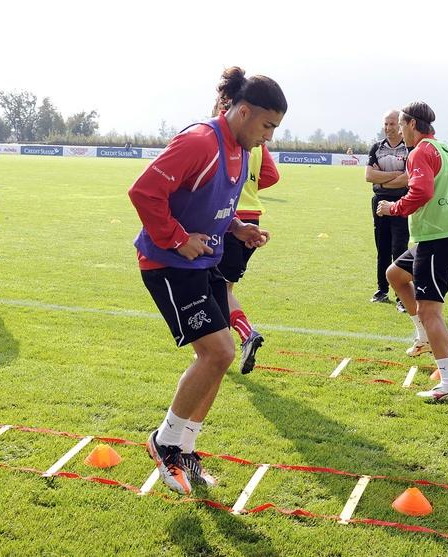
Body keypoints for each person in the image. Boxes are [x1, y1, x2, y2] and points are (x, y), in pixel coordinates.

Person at [129, 68, 286, 494]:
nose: (269, 136)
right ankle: (164, 442)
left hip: (204, 263)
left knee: (223, 355)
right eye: (267, 126)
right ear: (244, 111)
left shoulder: (240, 148)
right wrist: (178, 239)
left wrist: (237, 228)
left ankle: (186, 450)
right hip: (167, 263)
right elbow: (144, 192)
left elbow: (210, 201)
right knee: (216, 352)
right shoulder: (200, 140)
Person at [376, 101, 448, 402]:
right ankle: (422, 336)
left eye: (402, 125)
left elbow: (421, 192)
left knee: (431, 311)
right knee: (394, 274)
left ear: (410, 124)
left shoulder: (420, 151)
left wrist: (392, 208)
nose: (401, 132)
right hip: (441, 236)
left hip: (437, 239)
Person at [211, 67, 281, 375]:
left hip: (230, 219)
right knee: (220, 287)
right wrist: (249, 185)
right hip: (251, 216)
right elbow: (272, 175)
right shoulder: (257, 144)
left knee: (219, 289)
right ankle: (220, 346)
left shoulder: (230, 139)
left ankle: (242, 335)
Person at [365, 109, 409, 305]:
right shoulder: (376, 148)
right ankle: (382, 290)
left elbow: (407, 179)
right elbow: (369, 177)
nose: (388, 128)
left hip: (401, 203)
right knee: (382, 248)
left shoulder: (409, 148)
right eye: (386, 124)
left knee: (399, 249)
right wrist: (395, 176)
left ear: (400, 126)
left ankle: (402, 297)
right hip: (380, 202)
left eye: (392, 124)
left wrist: (381, 179)